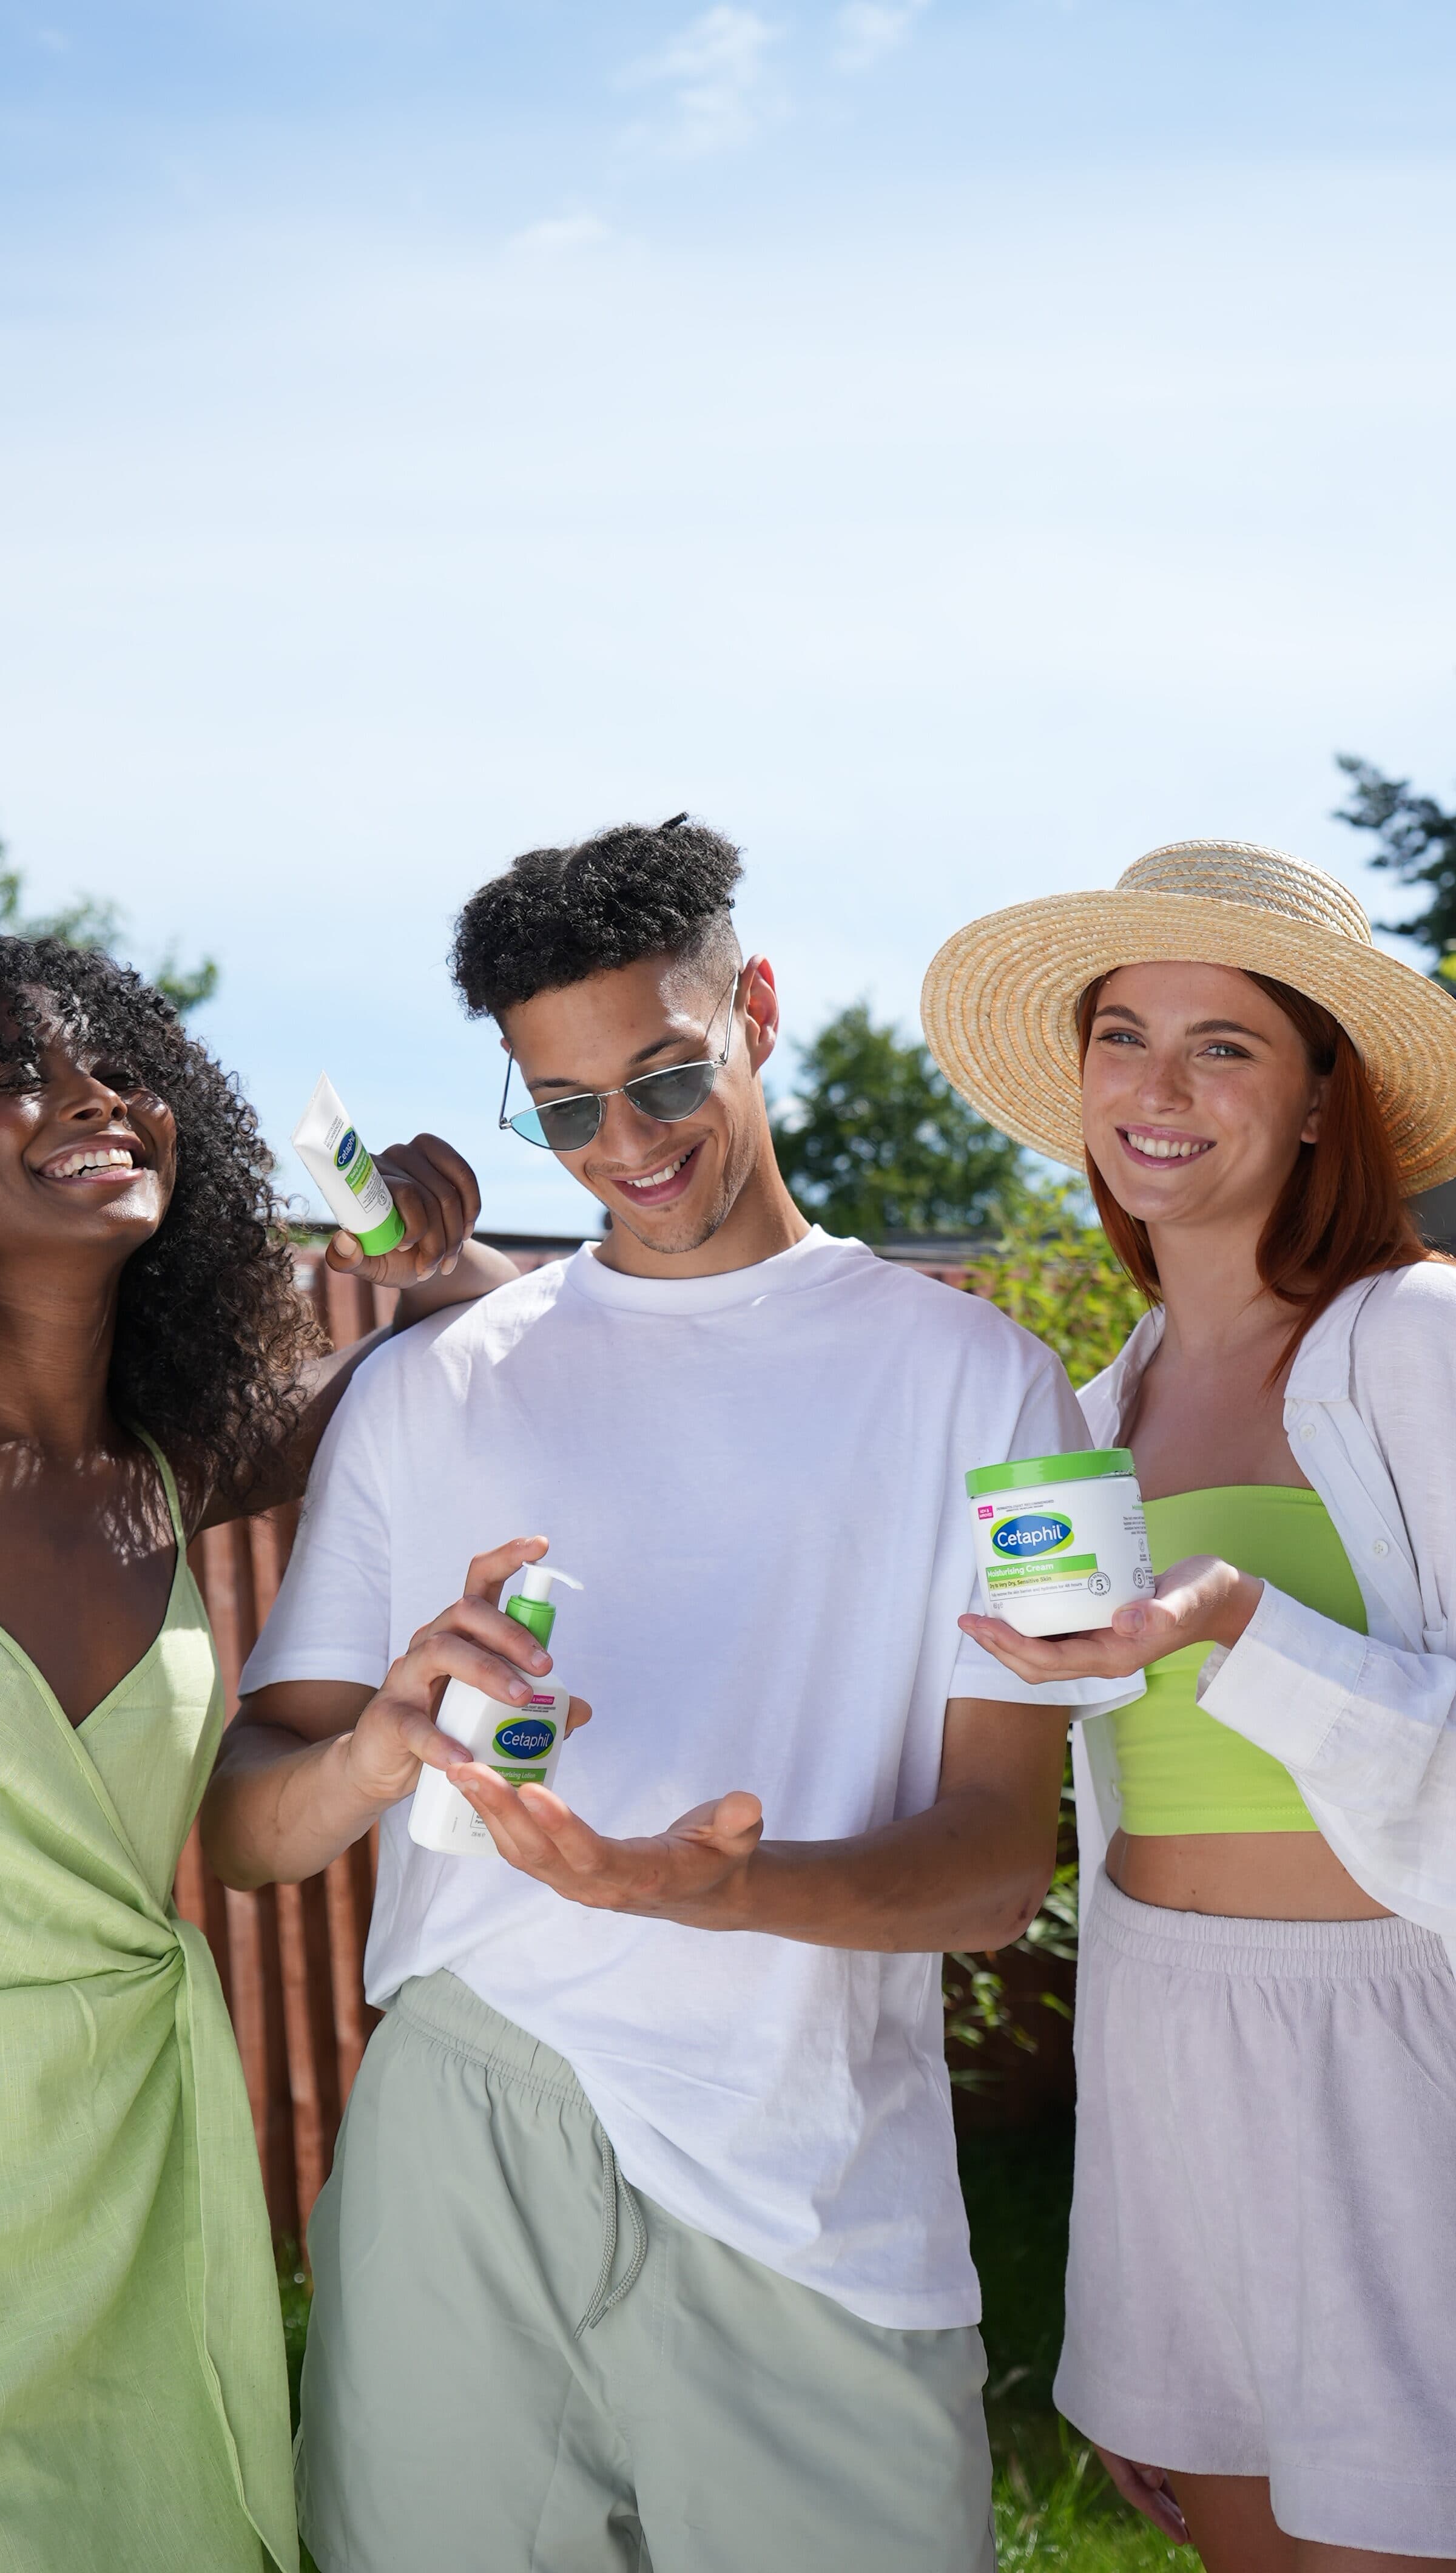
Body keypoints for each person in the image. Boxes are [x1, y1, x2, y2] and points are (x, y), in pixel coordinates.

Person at [202, 816, 1130, 2573]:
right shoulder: (435, 1385)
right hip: (469, 2129)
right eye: (561, 1112)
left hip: (813, 2174)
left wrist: (721, 1891)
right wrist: (379, 1754)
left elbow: (1002, 1868)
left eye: (664, 1079)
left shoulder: (988, 1387)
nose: (622, 1147)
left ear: (757, 1007)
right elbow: (252, 1825)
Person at [0, 936, 508, 2573]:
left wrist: (399, 1224)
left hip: (143, 2229)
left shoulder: (166, 1470)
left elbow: (471, 1323)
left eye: (116, 1064)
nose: (91, 1093)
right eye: (14, 1072)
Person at [922, 839, 1456, 2573]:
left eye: (1224, 1044)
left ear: (1320, 1099)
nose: (1156, 1088)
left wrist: (1238, 1629)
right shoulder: (1090, 1412)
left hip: (1403, 2068)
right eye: (1121, 1035)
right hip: (1169, 2079)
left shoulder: (1420, 1345)